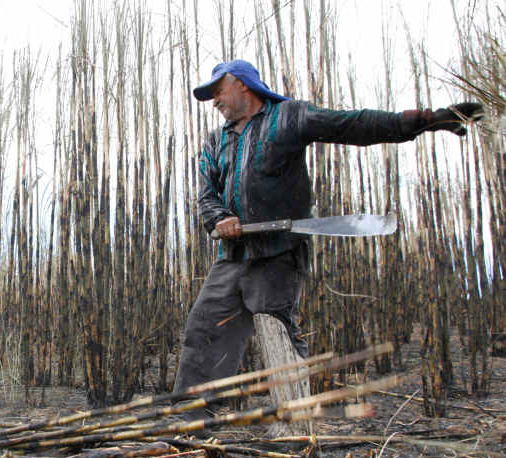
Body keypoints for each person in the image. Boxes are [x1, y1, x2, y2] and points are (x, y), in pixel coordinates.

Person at [172, 59, 482, 438]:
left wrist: (422, 120)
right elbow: (206, 193)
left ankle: (293, 423)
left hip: (278, 252)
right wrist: (219, 217)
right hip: (232, 256)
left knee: (277, 329)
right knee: (205, 327)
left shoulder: (289, 117)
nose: (215, 100)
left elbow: (352, 123)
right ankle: (193, 422)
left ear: (243, 85)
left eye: (218, 90)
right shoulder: (216, 141)